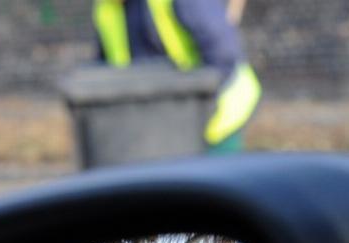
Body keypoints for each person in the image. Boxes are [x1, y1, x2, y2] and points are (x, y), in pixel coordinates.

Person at [92, 0, 262, 153]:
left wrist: (187, 109)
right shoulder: (106, 8)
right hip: (156, 131)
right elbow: (105, 70)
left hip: (218, 117)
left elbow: (224, 56)